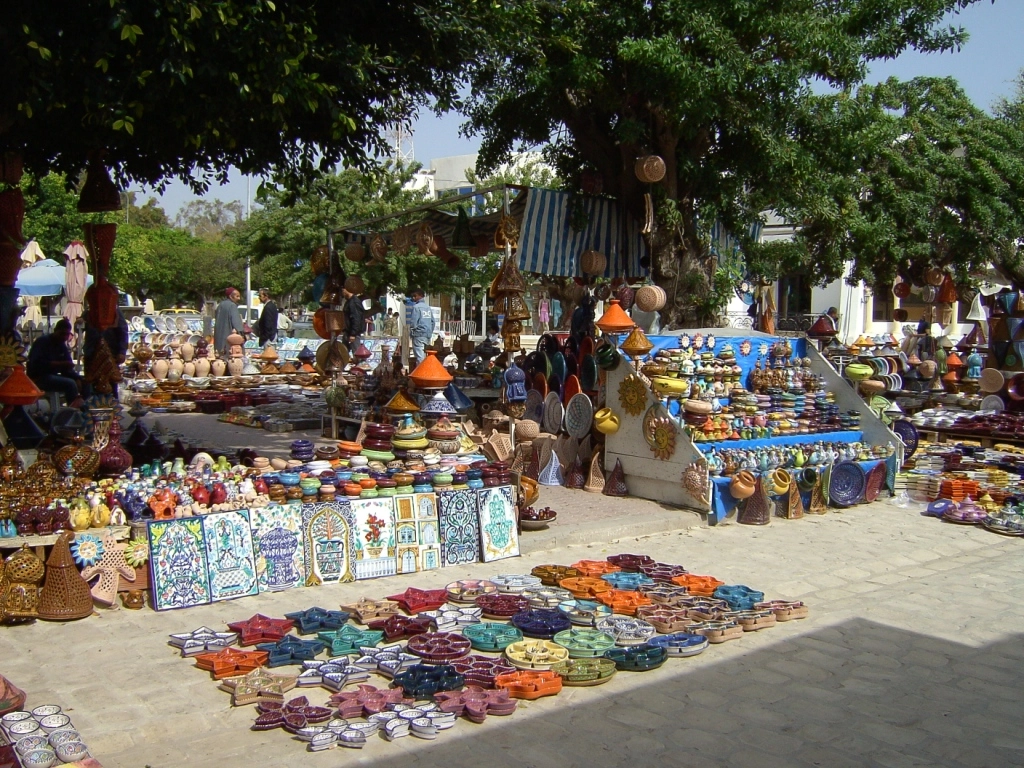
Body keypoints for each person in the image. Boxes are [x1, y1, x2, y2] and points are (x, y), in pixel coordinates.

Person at [27, 319, 84, 407]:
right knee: (70, 384)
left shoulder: (62, 345)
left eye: (67, 334)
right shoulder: (42, 342)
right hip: (39, 378)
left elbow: (66, 368)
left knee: (85, 382)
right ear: (55, 331)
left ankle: (85, 410)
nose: (64, 337)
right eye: (62, 334)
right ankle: (72, 413)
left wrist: (77, 378)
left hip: (53, 376)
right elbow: (36, 365)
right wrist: (59, 364)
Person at [214, 287, 246, 356]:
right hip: (229, 338)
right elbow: (237, 324)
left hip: (218, 337)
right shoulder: (232, 306)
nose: (239, 298)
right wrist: (242, 334)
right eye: (237, 296)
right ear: (231, 296)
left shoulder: (220, 305)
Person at [409, 288, 434, 365]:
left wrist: (412, 332)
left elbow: (413, 323)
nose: (413, 298)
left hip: (418, 334)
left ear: (420, 296)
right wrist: (429, 331)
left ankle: (421, 374)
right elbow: (433, 322)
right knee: (425, 355)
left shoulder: (416, 307)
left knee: (420, 356)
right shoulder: (428, 308)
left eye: (415, 296)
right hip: (427, 335)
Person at [341, 284, 365, 353]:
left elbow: (356, 318)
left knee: (357, 354)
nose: (342, 293)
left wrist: (353, 334)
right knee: (344, 354)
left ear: (346, 290)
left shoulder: (354, 302)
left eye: (342, 290)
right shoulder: (348, 302)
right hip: (348, 332)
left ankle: (361, 363)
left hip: (353, 334)